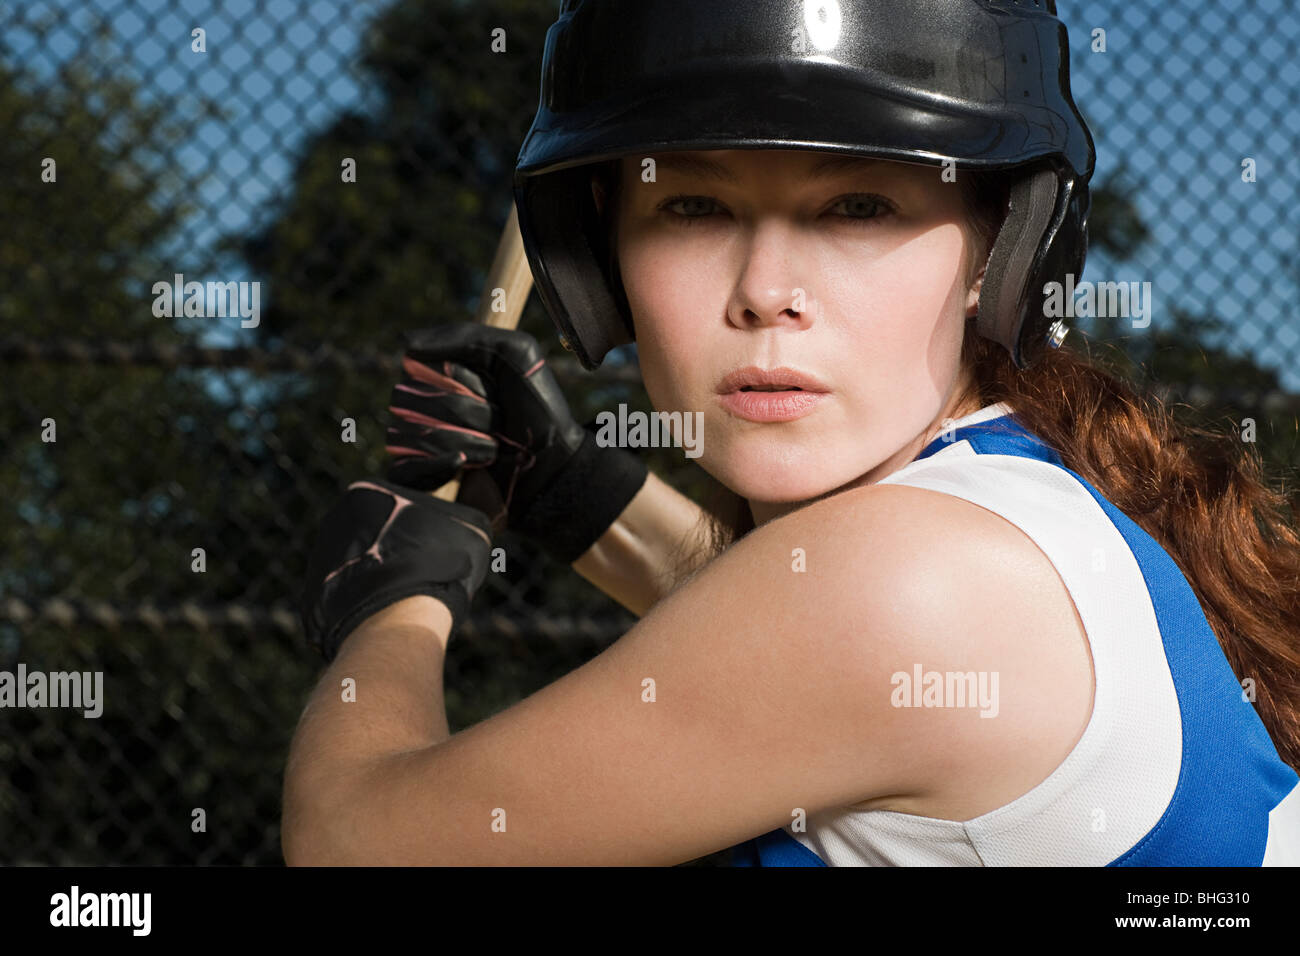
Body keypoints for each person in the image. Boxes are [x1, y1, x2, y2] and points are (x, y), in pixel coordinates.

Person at [283, 0, 1300, 866]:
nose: (766, 292)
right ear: (602, 255)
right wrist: (573, 494)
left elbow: (354, 838)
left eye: (858, 205)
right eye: (691, 206)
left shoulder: (906, 581)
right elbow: (804, 673)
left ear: (1002, 249)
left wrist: (390, 603)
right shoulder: (1008, 513)